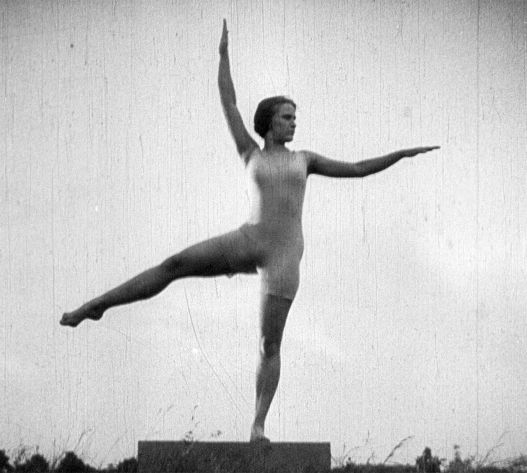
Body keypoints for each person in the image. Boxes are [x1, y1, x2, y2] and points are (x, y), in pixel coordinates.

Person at [60, 19, 440, 442]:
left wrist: (400, 154)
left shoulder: (305, 160)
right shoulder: (249, 152)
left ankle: (258, 424)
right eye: (287, 117)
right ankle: (98, 304)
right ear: (269, 121)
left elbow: (357, 168)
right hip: (249, 240)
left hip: (283, 257)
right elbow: (229, 102)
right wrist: (223, 56)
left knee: (268, 345)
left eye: (295, 118)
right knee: (173, 265)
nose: (293, 123)